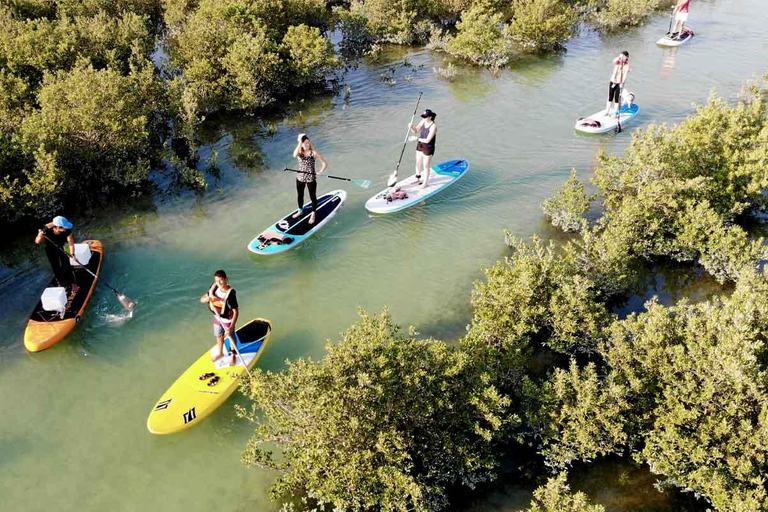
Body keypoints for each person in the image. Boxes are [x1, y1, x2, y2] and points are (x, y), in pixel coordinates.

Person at [200, 269, 239, 366]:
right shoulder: (214, 289)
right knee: (219, 335)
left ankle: (233, 355)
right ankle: (220, 353)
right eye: (217, 281)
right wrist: (207, 299)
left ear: (227, 279)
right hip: (217, 318)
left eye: (221, 280)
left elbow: (236, 312)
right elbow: (202, 299)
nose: (219, 283)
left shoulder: (231, 295)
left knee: (231, 336)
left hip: (228, 320)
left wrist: (230, 328)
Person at [35, 216, 78, 295]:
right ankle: (62, 284)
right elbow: (37, 242)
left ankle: (73, 284)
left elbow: (71, 243)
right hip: (50, 249)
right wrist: (40, 235)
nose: (65, 229)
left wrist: (72, 254)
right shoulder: (46, 229)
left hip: (62, 247)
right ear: (58, 227)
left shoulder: (67, 231)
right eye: (63, 227)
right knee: (55, 267)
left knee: (67, 265)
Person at [292, 133, 327, 225]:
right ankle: (300, 210)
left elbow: (325, 163)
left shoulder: (314, 153)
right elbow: (294, 155)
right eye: (305, 143)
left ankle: (313, 213)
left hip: (311, 177)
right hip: (300, 177)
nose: (307, 144)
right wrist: (300, 142)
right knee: (300, 195)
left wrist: (320, 172)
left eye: (308, 142)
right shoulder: (299, 152)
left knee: (312, 196)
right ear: (302, 144)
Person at [408, 109, 438, 189]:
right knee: (418, 163)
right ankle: (418, 179)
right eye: (422, 116)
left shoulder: (433, 126)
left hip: (428, 147)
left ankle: (425, 183)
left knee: (425, 165)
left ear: (430, 117)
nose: (423, 118)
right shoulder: (423, 121)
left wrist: (416, 139)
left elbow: (428, 140)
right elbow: (416, 131)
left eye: (425, 116)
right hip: (420, 145)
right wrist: (411, 127)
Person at [606, 51, 630, 117]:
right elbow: (614, 61)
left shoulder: (627, 65)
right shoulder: (618, 62)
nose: (623, 58)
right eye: (622, 56)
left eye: (624, 57)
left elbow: (625, 75)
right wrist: (619, 57)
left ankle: (616, 112)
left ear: (626, 57)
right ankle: (607, 111)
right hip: (613, 81)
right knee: (610, 97)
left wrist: (622, 83)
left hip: (619, 83)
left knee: (617, 98)